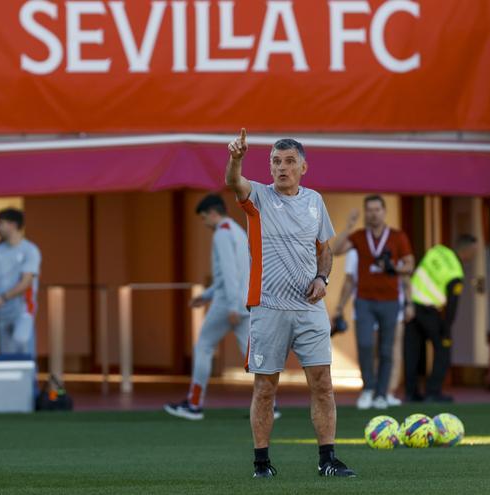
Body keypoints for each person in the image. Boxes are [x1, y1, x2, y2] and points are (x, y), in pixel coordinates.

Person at [226, 129, 355, 478]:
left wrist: (322, 279)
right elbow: (233, 181)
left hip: (310, 309)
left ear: (303, 167)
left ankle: (327, 459)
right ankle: (261, 464)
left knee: (323, 384)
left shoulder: (315, 201)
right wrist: (236, 158)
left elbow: (324, 250)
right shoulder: (257, 197)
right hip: (268, 307)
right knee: (266, 388)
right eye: (275, 161)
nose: (281, 168)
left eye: (289, 162)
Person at [164, 194, 253, 420]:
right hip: (245, 301)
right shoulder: (238, 231)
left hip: (228, 302)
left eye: (204, 218)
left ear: (213, 213)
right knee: (251, 355)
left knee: (203, 346)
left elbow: (229, 273)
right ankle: (269, 404)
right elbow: (237, 273)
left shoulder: (222, 234)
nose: (204, 223)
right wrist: (206, 295)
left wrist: (231, 304)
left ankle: (194, 404)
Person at [332, 197, 414, 410]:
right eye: (369, 210)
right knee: (365, 344)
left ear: (384, 212)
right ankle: (368, 388)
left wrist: (393, 268)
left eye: (377, 209)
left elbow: (410, 265)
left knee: (387, 349)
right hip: (364, 300)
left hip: (390, 300)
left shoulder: (397, 237)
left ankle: (381, 394)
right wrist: (348, 225)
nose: (373, 214)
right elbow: (337, 250)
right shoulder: (359, 236)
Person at [403, 235, 477, 403]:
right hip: (429, 310)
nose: (474, 255)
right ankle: (433, 392)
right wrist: (446, 329)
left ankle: (411, 393)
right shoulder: (455, 272)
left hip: (412, 307)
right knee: (443, 349)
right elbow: (452, 304)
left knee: (412, 351)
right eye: (474, 252)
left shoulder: (437, 250)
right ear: (466, 251)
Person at [0, 208, 41, 356]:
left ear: (12, 225)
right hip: (0, 311)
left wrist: (4, 297)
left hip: (23, 310)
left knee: (24, 352)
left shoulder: (30, 250)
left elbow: (26, 282)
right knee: (5, 355)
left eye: (1, 223)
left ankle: (29, 380)